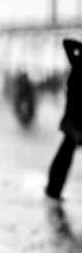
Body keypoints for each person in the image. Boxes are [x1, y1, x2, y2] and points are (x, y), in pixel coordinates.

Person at [45, 38, 82, 202]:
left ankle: (53, 189)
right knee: (64, 157)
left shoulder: (78, 63)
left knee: (64, 155)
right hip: (76, 120)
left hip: (74, 119)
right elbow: (67, 43)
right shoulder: (80, 63)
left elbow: (68, 44)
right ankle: (53, 189)